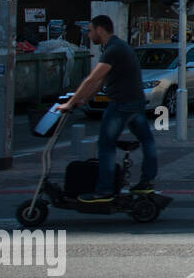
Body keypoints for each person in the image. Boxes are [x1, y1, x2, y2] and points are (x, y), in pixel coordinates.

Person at [58, 14, 158, 202]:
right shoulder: (117, 47)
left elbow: (92, 78)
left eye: (90, 31)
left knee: (106, 144)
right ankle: (147, 182)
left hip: (122, 104)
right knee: (147, 140)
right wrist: (84, 99)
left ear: (100, 30)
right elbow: (102, 81)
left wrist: (70, 103)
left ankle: (104, 190)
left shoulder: (114, 49)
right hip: (134, 102)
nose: (88, 35)